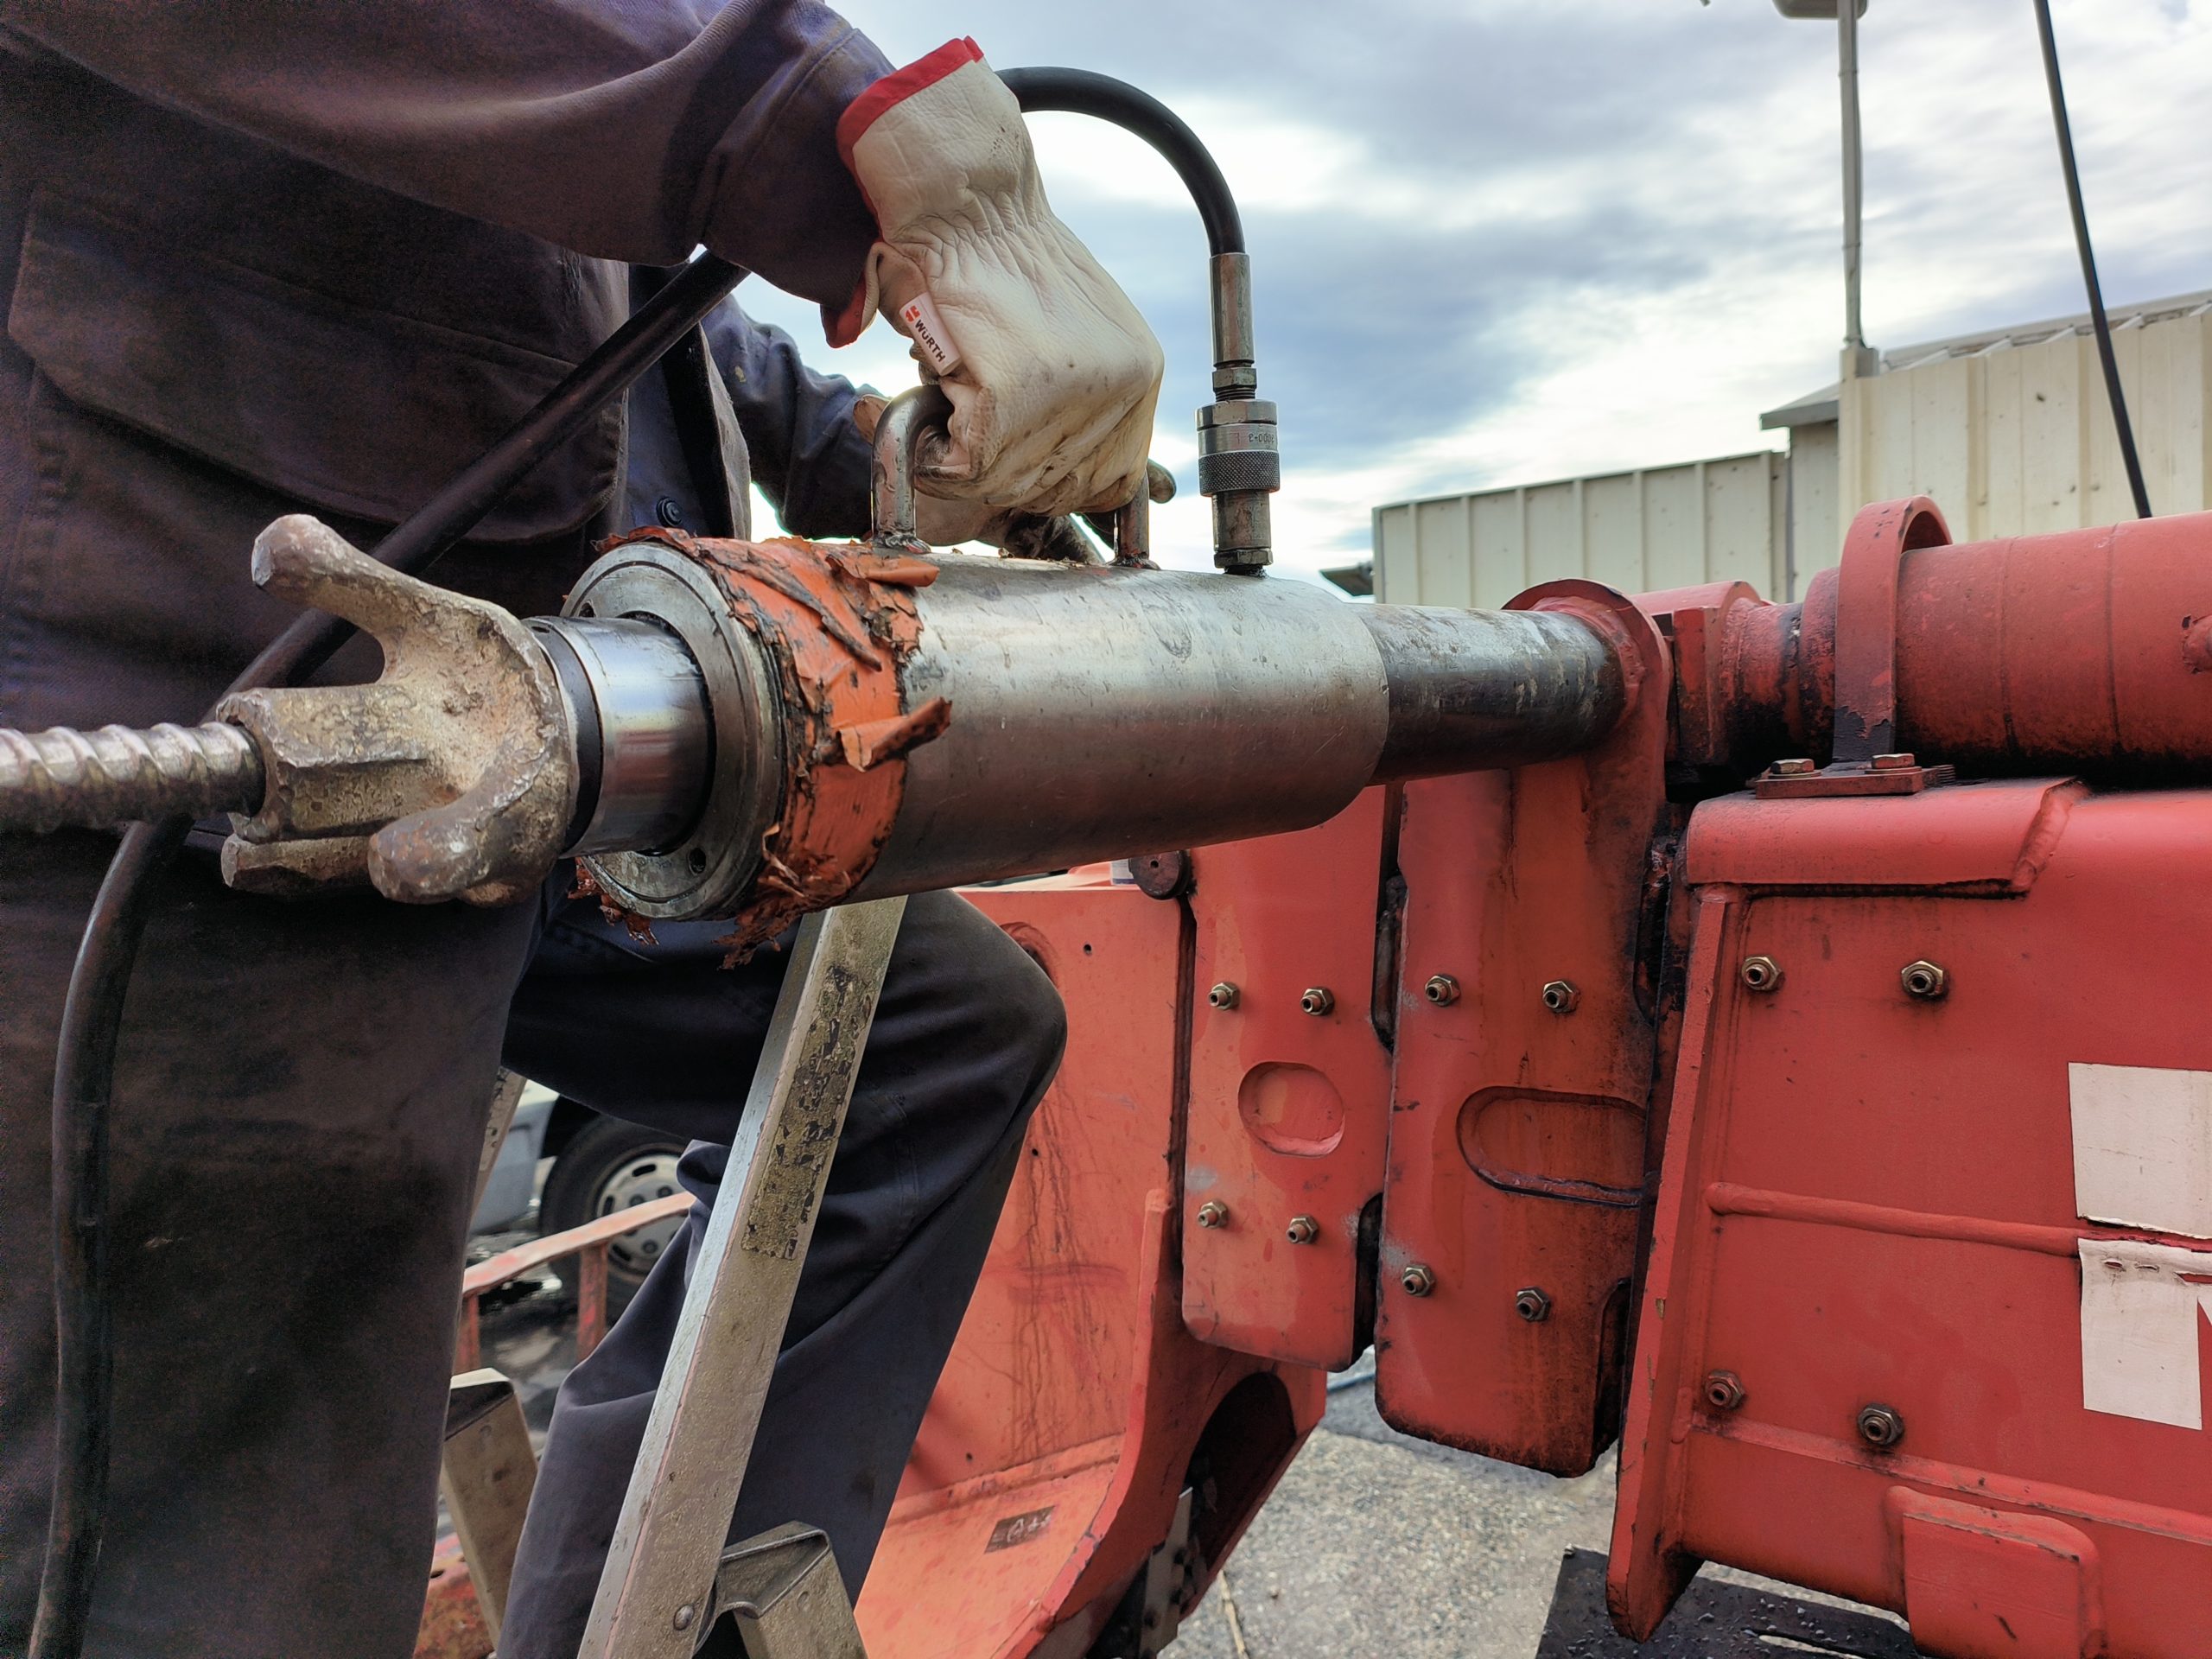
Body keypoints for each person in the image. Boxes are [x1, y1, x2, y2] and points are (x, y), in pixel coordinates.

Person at [0, 8, 1161, 1656]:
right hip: (216, 736)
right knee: (221, 1516)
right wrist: (809, 116)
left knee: (937, 1044)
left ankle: (650, 1616)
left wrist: (902, 451)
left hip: (552, 758)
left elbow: (625, 337)